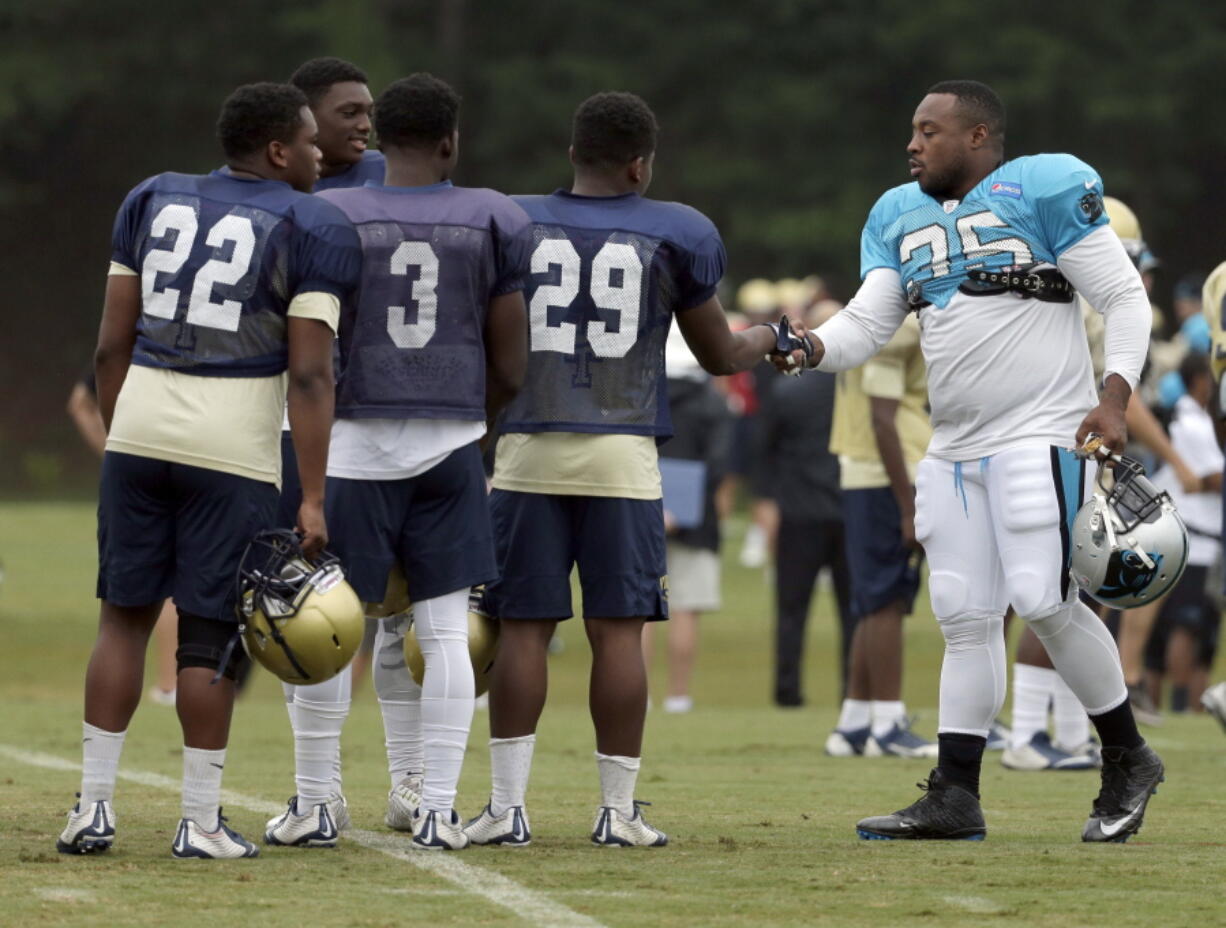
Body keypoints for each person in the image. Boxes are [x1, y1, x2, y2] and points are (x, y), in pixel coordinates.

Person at [797, 80, 1161, 843]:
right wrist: (800, 345)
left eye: (929, 130)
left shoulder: (1044, 184)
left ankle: (1127, 755)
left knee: (1041, 598)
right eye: (911, 130)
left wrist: (1116, 399)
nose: (913, 143)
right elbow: (867, 323)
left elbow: (1125, 299)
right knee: (963, 616)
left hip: (1042, 429)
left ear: (978, 135)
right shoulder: (898, 214)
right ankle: (955, 794)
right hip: (954, 445)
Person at [466, 91, 803, 849]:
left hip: (526, 447)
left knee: (523, 629)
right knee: (619, 635)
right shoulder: (674, 230)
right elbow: (720, 355)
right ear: (640, 163)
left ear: (573, 154)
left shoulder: (513, 220)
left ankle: (506, 807)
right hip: (622, 453)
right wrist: (766, 336)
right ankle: (616, 812)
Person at [56, 82, 360, 858]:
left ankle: (91, 810)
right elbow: (310, 375)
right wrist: (316, 495)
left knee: (121, 618)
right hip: (232, 444)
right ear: (276, 150)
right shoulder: (312, 222)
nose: (322, 152)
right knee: (210, 634)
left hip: (142, 424)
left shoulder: (152, 196)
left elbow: (108, 345)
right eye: (308, 138)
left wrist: (127, 430)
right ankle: (197, 821)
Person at [264, 73, 530, 851]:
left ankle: (318, 801)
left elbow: (304, 348)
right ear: (451, 142)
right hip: (448, 444)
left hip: (349, 445)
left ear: (382, 140)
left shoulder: (327, 213)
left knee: (319, 623)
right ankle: (439, 808)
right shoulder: (493, 216)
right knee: (446, 632)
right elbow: (511, 364)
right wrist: (471, 423)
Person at [274, 57, 384, 838]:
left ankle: (412, 785)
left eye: (368, 111)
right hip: (304, 421)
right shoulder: (280, 192)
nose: (362, 125)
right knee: (308, 610)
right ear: (302, 123)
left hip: (392, 418)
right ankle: (319, 793)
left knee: (410, 614)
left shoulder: (397, 177)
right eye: (345, 112)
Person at [824, 311, 935, 757]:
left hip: (866, 470)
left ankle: (855, 722)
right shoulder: (898, 324)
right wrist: (908, 507)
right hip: (892, 472)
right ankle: (887, 725)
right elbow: (883, 418)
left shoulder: (863, 316)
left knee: (874, 601)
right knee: (887, 598)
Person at [759, 299, 852, 708]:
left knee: (792, 609)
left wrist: (766, 501)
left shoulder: (788, 389)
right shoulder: (856, 385)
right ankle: (856, 692)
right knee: (856, 611)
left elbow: (765, 450)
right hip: (851, 507)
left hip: (798, 510)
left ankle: (787, 691)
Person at [67, 370, 179, 707]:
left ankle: (171, 685)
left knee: (124, 609)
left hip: (139, 465)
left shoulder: (140, 331)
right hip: (212, 461)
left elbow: (80, 401)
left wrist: (117, 456)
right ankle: (178, 684)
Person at [641, 324, 734, 713]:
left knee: (641, 612)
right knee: (685, 610)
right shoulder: (712, 403)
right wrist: (684, 507)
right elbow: (719, 462)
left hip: (640, 510)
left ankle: (639, 695)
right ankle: (678, 695)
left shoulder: (641, 395)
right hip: (697, 522)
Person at [1143, 352, 1221, 712]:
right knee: (1187, 629)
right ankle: (1180, 707)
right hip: (1196, 540)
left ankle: (1166, 704)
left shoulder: (1188, 419)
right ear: (1201, 380)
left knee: (1167, 634)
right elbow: (1210, 477)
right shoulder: (1194, 423)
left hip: (1186, 537)